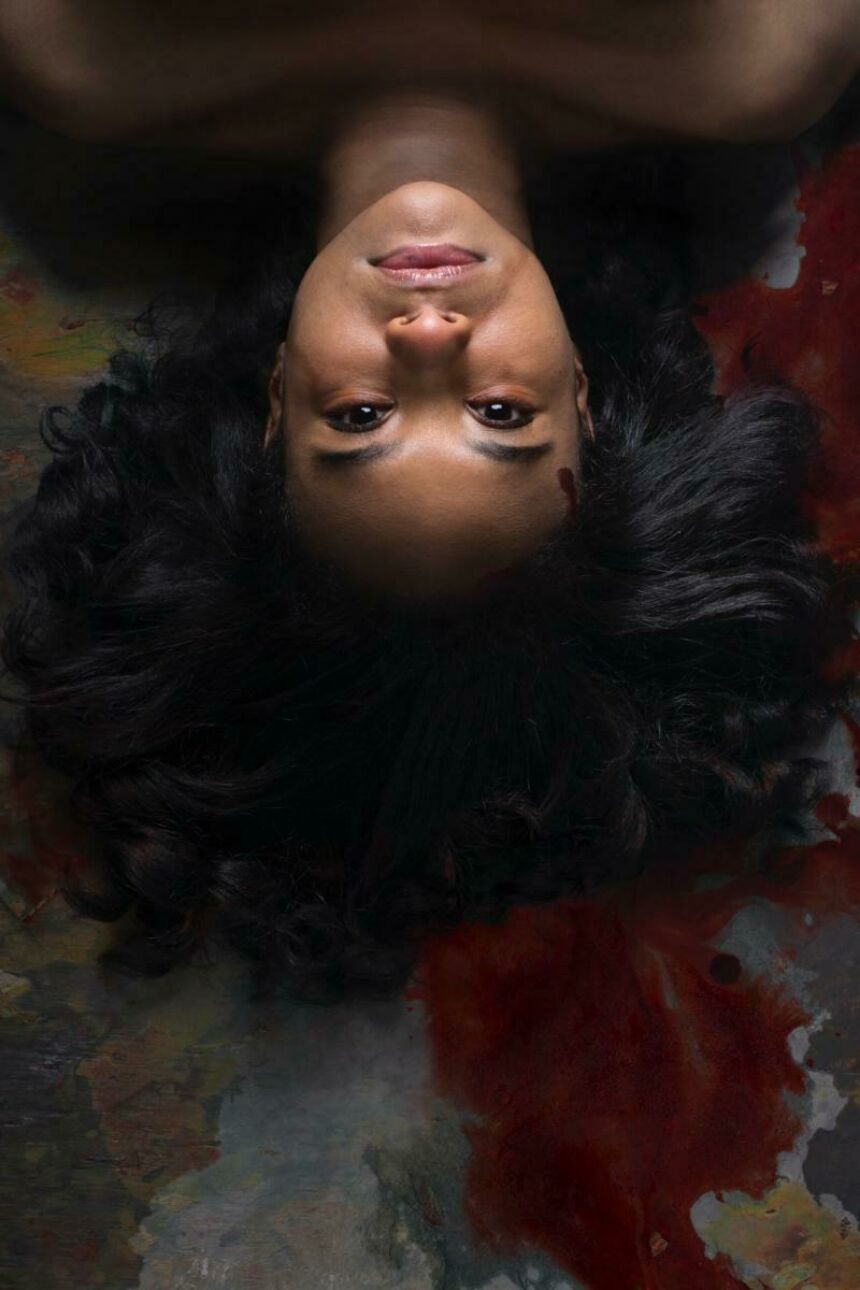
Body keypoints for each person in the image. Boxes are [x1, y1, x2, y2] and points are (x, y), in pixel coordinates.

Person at [1, 4, 858, 993]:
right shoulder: (758, 49)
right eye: (499, 412)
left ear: (277, 400)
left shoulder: (76, 50)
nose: (423, 340)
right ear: (583, 393)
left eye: (361, 416)